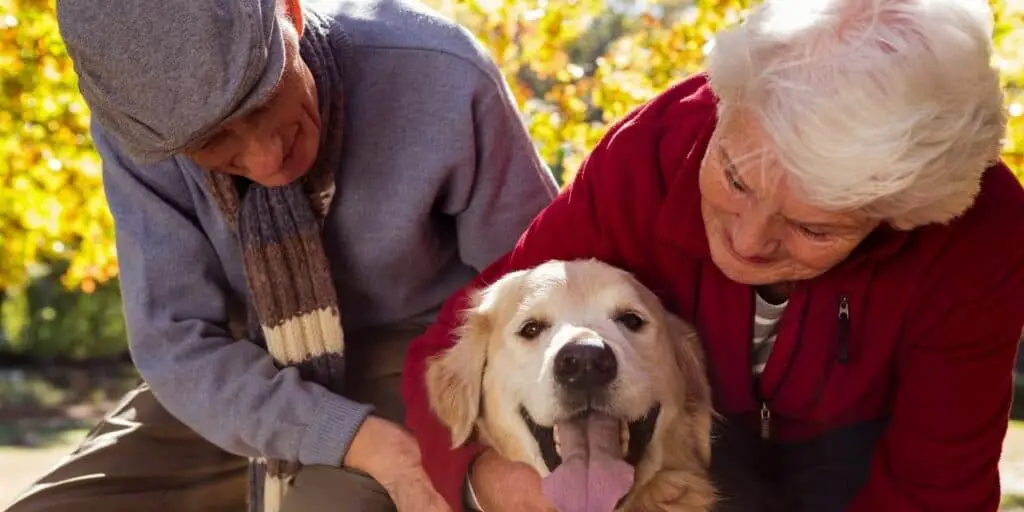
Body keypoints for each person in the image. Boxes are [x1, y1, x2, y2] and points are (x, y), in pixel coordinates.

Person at [401, 0, 1024, 510]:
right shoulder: (651, 152)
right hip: (695, 447)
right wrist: (491, 485)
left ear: (902, 214)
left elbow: (935, 489)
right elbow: (454, 350)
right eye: (734, 178)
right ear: (727, 108)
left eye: (813, 228)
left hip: (859, 450)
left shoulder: (979, 231)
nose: (747, 242)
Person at [8, 0, 558, 511]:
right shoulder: (144, 135)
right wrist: (351, 437)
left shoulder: (441, 72)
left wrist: (479, 456)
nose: (269, 159)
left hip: (425, 356)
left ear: (289, 14)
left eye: (265, 99)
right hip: (241, 370)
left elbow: (546, 297)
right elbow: (175, 343)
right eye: (213, 142)